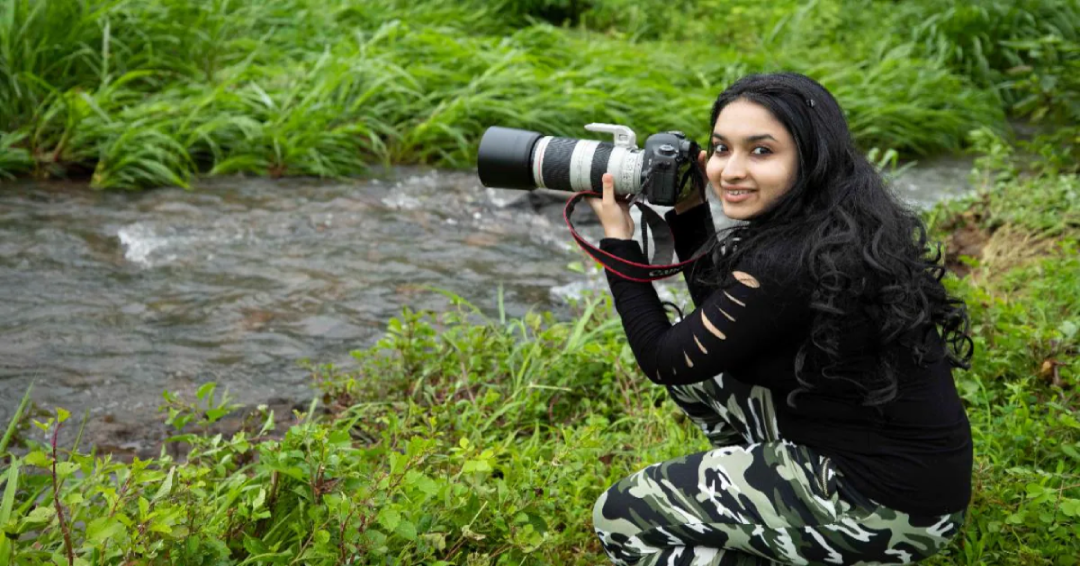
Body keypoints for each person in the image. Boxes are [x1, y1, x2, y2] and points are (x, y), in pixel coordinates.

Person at [586, 72, 974, 566]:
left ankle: (784, 529)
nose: (730, 170)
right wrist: (687, 208)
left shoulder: (789, 259)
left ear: (810, 159)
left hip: (884, 510)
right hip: (913, 479)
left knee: (620, 516)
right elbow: (724, 324)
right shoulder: (837, 221)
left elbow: (665, 361)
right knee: (702, 371)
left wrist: (619, 244)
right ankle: (760, 511)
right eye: (721, 149)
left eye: (761, 151)